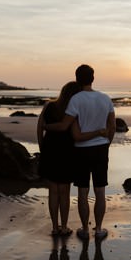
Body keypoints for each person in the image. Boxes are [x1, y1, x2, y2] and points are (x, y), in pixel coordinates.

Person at [52, 64, 116, 239]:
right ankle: (99, 229)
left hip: (81, 150)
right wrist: (106, 143)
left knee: (83, 191)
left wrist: (46, 126)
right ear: (93, 78)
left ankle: (85, 230)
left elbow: (66, 124)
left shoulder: (76, 100)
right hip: (101, 148)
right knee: (100, 191)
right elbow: (112, 126)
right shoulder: (105, 99)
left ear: (77, 78)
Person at [37, 81, 82, 236]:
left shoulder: (49, 105)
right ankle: (64, 227)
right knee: (64, 192)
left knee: (53, 191)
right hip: (67, 151)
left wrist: (42, 148)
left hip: (50, 149)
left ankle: (55, 228)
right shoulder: (73, 110)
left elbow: (39, 127)